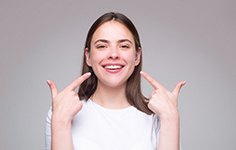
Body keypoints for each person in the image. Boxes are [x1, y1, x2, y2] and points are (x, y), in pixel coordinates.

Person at [45, 12, 186, 150]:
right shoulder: (62, 112)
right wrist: (60, 121)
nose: (113, 54)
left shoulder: (159, 115)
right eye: (102, 46)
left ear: (137, 56)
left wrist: (170, 117)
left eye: (124, 46)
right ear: (88, 56)